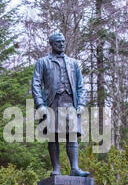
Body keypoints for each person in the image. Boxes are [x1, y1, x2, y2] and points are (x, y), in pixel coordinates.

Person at [31, 32, 90, 177]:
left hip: (70, 102)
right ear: (51, 44)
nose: (61, 44)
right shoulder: (43, 62)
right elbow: (36, 84)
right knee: (53, 136)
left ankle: (74, 168)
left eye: (63, 41)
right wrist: (40, 105)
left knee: (72, 135)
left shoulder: (73, 63)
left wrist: (81, 104)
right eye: (58, 42)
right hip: (52, 102)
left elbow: (81, 86)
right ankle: (56, 168)